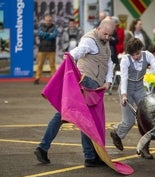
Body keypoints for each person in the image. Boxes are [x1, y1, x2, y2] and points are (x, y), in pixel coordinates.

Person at [34, 18, 116, 167]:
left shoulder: (105, 41)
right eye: (105, 34)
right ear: (99, 28)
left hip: (94, 85)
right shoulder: (89, 40)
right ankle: (90, 157)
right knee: (86, 119)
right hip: (87, 83)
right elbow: (77, 52)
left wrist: (108, 81)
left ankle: (42, 147)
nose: (107, 38)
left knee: (64, 113)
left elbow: (109, 62)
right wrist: (69, 56)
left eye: (109, 35)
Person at [110, 38, 155, 159]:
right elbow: (124, 77)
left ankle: (145, 147)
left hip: (140, 88)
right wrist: (124, 94)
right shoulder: (125, 60)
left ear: (141, 49)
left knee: (146, 118)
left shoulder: (148, 55)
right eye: (133, 54)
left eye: (137, 53)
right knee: (129, 121)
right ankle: (117, 134)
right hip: (127, 89)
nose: (135, 57)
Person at [34, 14, 58, 85]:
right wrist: (48, 34)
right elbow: (40, 34)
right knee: (40, 65)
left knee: (52, 65)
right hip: (42, 49)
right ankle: (37, 79)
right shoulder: (41, 27)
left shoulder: (54, 28)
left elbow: (53, 36)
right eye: (47, 20)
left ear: (51, 21)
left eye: (49, 20)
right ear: (45, 20)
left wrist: (45, 35)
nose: (48, 22)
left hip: (51, 50)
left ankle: (55, 80)